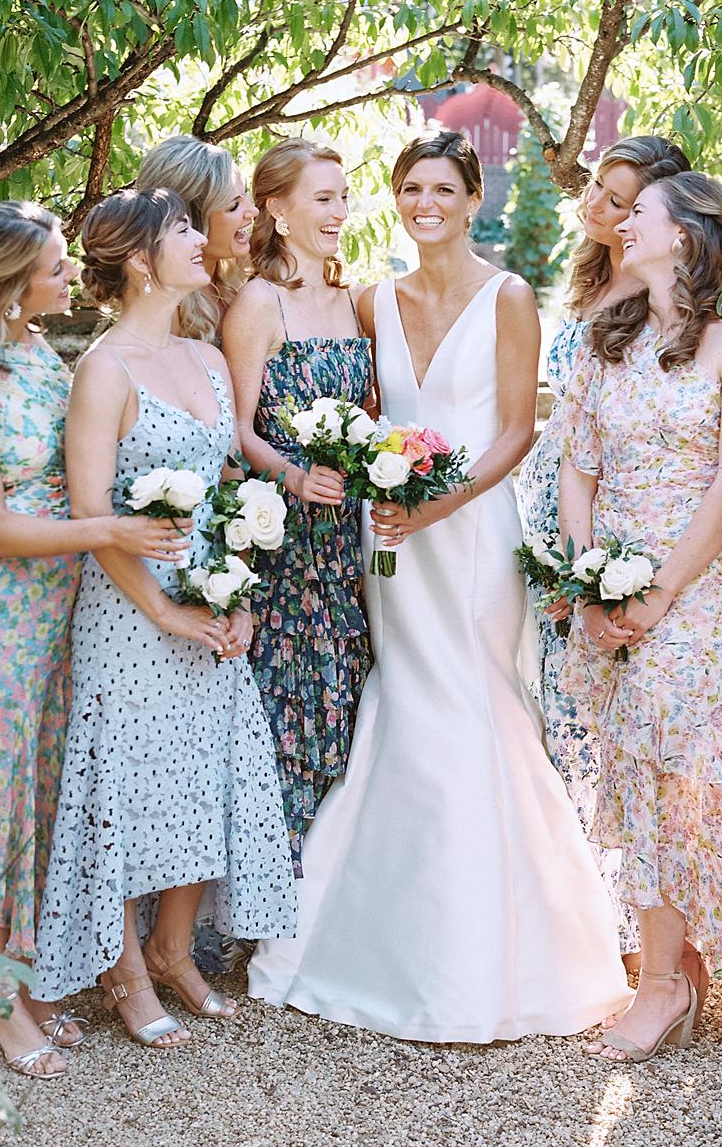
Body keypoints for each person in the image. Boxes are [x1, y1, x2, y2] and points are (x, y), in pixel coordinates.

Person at [249, 130, 630, 1042]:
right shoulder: (371, 300)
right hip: (383, 536)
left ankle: (511, 946)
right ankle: (380, 927)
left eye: (444, 189)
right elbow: (359, 408)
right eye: (411, 189)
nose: (426, 204)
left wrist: (437, 506)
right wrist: (382, 494)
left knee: (478, 699)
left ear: (471, 199)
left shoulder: (508, 296)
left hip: (469, 530)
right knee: (410, 697)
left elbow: (515, 433)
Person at [0, 201, 186, 1078]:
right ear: (10, 277)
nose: (72, 277)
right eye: (57, 265)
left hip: (57, 610)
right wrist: (109, 533)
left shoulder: (37, 355)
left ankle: (23, 980)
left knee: (36, 798)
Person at [33, 188, 296, 1048]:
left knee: (204, 778)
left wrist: (236, 599)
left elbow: (229, 495)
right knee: (128, 783)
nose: (202, 238)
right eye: (183, 229)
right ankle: (124, 971)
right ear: (142, 259)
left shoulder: (209, 358)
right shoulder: (103, 370)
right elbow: (90, 513)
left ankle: (176, 947)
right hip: (127, 612)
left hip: (210, 601)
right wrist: (163, 610)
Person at [559, 172, 722, 1063]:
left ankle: (685, 977)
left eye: (639, 212)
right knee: (633, 777)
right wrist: (590, 582)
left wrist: (658, 593)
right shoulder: (605, 338)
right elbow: (578, 464)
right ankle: (668, 968)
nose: (621, 221)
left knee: (680, 777)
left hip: (699, 588)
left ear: (685, 236)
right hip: (610, 585)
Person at [517, 136, 689, 951]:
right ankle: (578, 902)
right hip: (552, 503)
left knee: (606, 710)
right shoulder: (588, 284)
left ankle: (626, 917)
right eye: (599, 189)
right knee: (560, 698)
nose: (602, 209)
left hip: (617, 507)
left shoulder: (661, 304)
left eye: (625, 202)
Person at [222, 138, 372, 872]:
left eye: (343, 196)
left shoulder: (354, 300)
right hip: (286, 539)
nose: (340, 212)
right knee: (286, 699)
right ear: (277, 211)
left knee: (345, 688)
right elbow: (237, 427)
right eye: (323, 198)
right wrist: (291, 475)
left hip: (351, 534)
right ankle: (264, 881)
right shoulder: (258, 303)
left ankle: (325, 883)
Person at [136, 133, 258, 341]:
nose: (252, 211)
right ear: (190, 221)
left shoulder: (237, 284)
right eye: (234, 206)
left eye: (245, 193)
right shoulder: (166, 312)